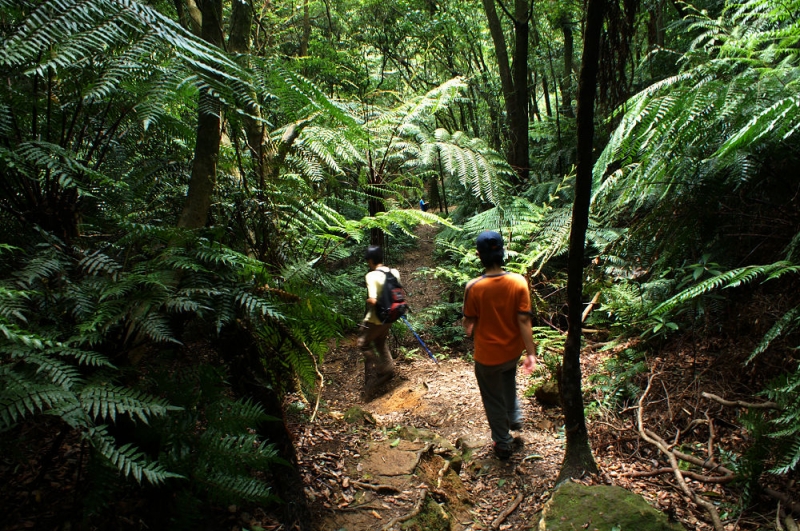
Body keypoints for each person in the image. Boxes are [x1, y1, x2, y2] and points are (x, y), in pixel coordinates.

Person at [462, 231, 537, 460]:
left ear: (479, 255)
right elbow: (524, 320)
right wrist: (530, 352)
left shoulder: (473, 287)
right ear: (502, 252)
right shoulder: (518, 281)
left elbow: (469, 322)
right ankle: (514, 417)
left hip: (486, 356)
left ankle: (503, 443)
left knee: (493, 398)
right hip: (511, 352)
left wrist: (468, 326)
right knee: (507, 378)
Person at [358, 245, 398, 399]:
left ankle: (383, 368)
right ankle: (388, 368)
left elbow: (374, 300)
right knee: (380, 342)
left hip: (377, 318)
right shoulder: (393, 272)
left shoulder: (371, 275)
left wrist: (369, 299)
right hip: (391, 316)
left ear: (370, 260)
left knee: (362, 343)